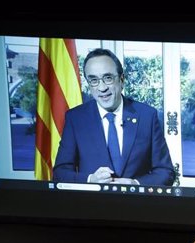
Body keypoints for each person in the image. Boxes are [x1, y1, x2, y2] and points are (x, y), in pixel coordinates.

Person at [53, 48, 174, 185]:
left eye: (108, 78)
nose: (102, 87)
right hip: (92, 203)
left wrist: (135, 184)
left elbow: (165, 172)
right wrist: (90, 180)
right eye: (94, 80)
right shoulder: (76, 118)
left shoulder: (147, 116)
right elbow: (60, 173)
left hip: (136, 204)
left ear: (121, 80)